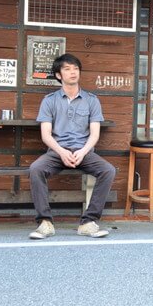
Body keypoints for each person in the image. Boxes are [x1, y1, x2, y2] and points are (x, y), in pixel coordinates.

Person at [29, 53, 115, 240]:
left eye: (75, 68)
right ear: (59, 75)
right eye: (67, 69)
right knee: (36, 169)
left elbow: (95, 134)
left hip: (84, 151)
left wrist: (83, 151)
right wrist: (61, 152)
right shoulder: (49, 100)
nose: (73, 72)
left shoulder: (91, 100)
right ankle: (45, 223)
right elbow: (46, 134)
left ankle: (88, 222)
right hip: (57, 151)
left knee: (108, 170)